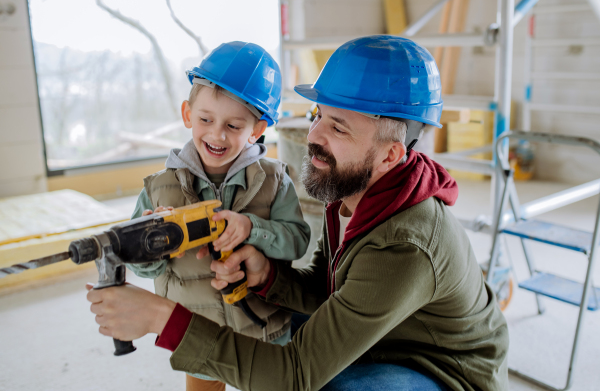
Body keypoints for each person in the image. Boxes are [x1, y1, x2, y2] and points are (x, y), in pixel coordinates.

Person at [87, 36, 509, 391]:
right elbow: (330, 294)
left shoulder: (405, 245)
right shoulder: (353, 194)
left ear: (390, 155)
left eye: (338, 127)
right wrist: (267, 276)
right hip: (388, 336)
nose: (313, 137)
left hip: (440, 370)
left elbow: (297, 375)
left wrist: (163, 318)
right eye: (317, 116)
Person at [125, 41, 311, 391]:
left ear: (256, 130)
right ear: (186, 114)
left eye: (234, 125)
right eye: (205, 119)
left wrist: (252, 229)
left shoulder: (274, 180)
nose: (216, 134)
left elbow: (297, 241)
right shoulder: (158, 189)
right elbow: (140, 265)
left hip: (265, 330)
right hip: (199, 332)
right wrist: (154, 244)